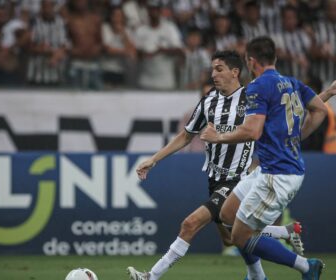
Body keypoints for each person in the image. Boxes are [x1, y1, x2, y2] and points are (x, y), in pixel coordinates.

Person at [127, 50, 303, 280]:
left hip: (237, 179)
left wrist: (324, 96)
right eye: (212, 69)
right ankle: (281, 237)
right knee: (232, 238)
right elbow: (187, 135)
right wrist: (154, 159)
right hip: (214, 179)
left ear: (235, 71)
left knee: (190, 224)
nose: (213, 74)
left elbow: (289, 112)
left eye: (219, 69)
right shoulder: (209, 100)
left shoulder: (253, 97)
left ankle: (150, 276)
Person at [200, 36, 329, 280]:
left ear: (250, 61)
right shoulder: (291, 83)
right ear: (275, 59)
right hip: (269, 169)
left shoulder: (258, 86)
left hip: (277, 175)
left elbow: (252, 131)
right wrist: (295, 138)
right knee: (227, 216)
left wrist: (217, 137)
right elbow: (320, 110)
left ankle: (305, 266)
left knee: (240, 237)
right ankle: (258, 273)